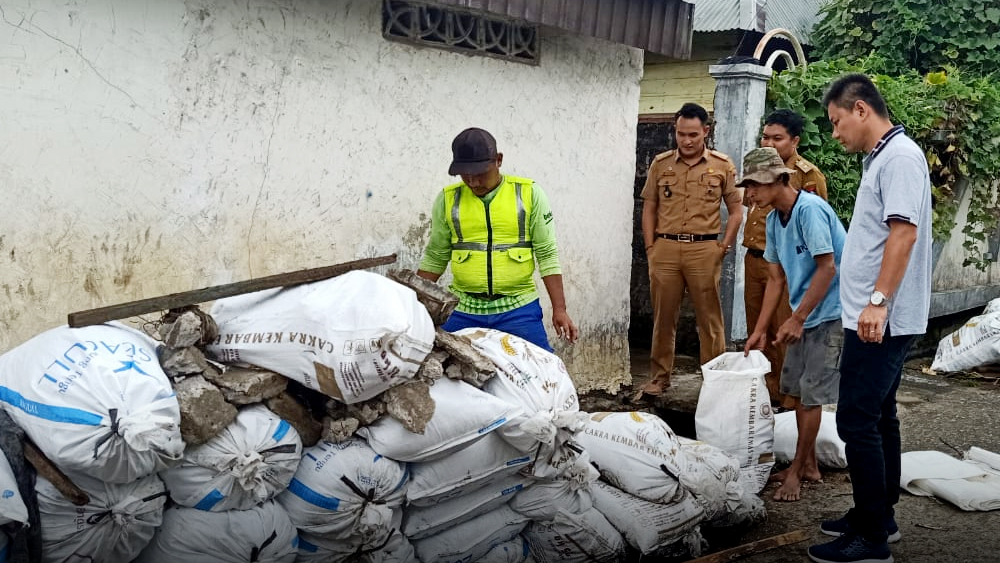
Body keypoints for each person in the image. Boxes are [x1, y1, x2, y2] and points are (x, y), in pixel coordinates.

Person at [808, 74, 932, 563]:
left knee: (857, 421)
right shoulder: (883, 157)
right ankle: (879, 516)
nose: (835, 133)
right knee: (879, 415)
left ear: (861, 110)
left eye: (837, 122)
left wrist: (877, 302)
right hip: (874, 315)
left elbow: (902, 235)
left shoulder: (899, 159)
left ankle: (872, 541)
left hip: (881, 318)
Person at [740, 147, 846, 503]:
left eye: (755, 185)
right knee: (797, 393)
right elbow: (775, 277)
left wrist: (797, 319)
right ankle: (810, 464)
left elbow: (828, 267)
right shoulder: (773, 220)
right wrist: (760, 329)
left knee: (811, 396)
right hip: (804, 313)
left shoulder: (809, 210)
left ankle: (798, 472)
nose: (749, 194)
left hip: (830, 313)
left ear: (779, 179)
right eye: (748, 186)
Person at [417, 127, 578, 351]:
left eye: (480, 173)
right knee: (443, 371)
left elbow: (547, 253)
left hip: (518, 309)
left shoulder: (529, 194)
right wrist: (410, 304)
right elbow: (436, 255)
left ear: (498, 160)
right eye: (465, 175)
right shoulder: (448, 199)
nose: (473, 183)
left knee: (542, 371)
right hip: (462, 309)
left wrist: (559, 309)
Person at [638, 102, 743, 396]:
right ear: (675, 131)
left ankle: (714, 380)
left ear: (705, 132)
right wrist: (650, 246)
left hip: (705, 249)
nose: (686, 141)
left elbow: (736, 210)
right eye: (681, 134)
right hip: (666, 247)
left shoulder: (722, 165)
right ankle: (660, 378)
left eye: (693, 135)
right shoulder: (661, 164)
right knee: (663, 316)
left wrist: (724, 245)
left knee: (710, 319)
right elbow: (649, 207)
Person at [744, 110, 829, 408]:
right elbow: (753, 211)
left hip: (790, 267)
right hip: (758, 258)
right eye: (765, 137)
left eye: (776, 138)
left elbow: (817, 244)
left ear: (794, 141)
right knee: (760, 330)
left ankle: (786, 397)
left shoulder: (807, 177)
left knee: (784, 332)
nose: (769, 143)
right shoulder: (757, 170)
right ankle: (766, 394)